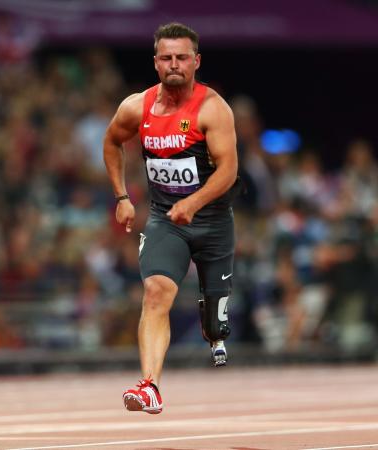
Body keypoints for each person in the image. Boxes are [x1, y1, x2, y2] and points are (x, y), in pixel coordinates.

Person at [103, 23, 238, 414]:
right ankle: (150, 386)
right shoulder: (136, 107)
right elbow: (112, 142)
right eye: (166, 57)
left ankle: (214, 331)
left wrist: (194, 202)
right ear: (156, 62)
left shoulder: (212, 108)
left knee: (216, 325)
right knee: (155, 293)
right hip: (166, 221)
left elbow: (228, 171)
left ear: (196, 62)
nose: (174, 64)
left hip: (212, 222)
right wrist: (122, 196)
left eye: (182, 57)